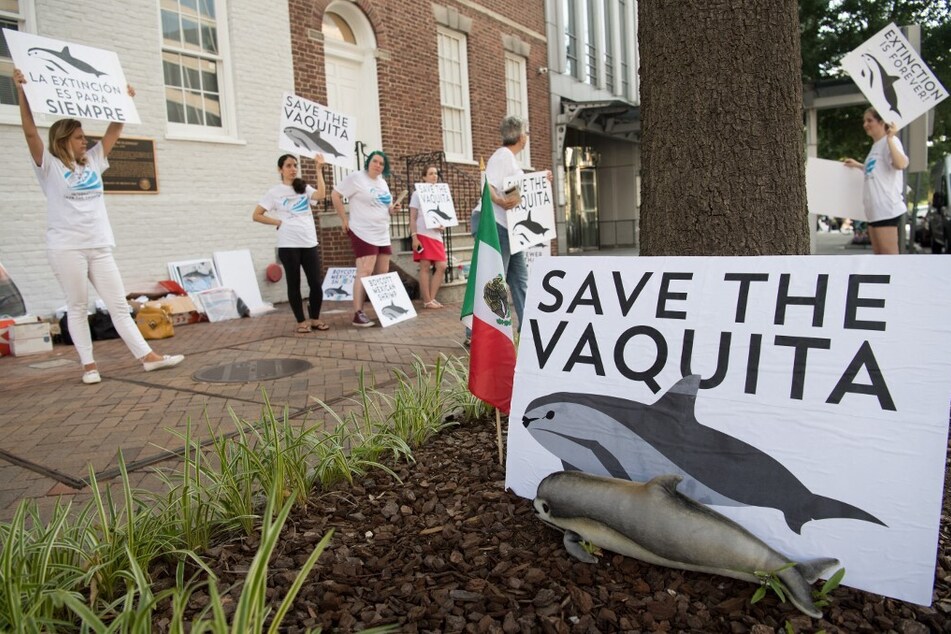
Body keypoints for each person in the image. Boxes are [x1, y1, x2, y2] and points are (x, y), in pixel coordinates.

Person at [14, 68, 184, 384]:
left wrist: (123, 101)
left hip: (99, 244)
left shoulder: (92, 160)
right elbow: (29, 133)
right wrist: (21, 91)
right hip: (67, 247)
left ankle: (148, 357)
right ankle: (89, 367)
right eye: (79, 137)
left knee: (118, 305)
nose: (86, 141)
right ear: (64, 139)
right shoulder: (48, 165)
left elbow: (114, 131)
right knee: (77, 307)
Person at [465, 115, 551, 345]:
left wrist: (542, 180)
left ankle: (527, 326)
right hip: (496, 225)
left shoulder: (510, 161)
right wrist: (501, 203)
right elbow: (488, 185)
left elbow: (516, 191)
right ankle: (477, 332)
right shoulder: (503, 156)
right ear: (521, 136)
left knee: (519, 279)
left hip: (509, 229)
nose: (527, 138)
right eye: (527, 134)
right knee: (494, 279)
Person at [252, 154, 329, 332]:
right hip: (288, 245)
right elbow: (256, 215)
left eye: (295, 165)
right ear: (280, 169)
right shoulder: (274, 192)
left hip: (309, 242)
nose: (293, 168)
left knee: (316, 283)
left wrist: (318, 169)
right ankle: (301, 322)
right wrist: (277, 222)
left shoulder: (303, 188)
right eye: (288, 166)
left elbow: (321, 195)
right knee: (293, 284)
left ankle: (315, 319)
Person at [332, 151, 402, 327]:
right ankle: (358, 313)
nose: (378, 165)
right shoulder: (357, 178)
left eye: (381, 163)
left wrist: (393, 209)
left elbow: (385, 208)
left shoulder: (383, 183)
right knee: (365, 270)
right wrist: (344, 219)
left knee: (382, 272)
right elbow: (335, 194)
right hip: (363, 231)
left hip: (382, 233)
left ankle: (384, 309)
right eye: (375, 161)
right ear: (368, 162)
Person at [843, 108, 909, 255]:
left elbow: (901, 164)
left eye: (869, 120)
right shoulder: (876, 146)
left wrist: (891, 138)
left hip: (886, 208)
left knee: (888, 255)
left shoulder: (890, 141)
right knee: (879, 256)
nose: (865, 124)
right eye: (864, 121)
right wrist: (858, 165)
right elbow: (875, 170)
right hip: (873, 210)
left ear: (881, 122)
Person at [409, 164, 449, 309]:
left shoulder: (440, 194)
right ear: (424, 177)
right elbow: (412, 218)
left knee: (442, 266)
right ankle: (427, 300)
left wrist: (443, 224)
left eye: (436, 173)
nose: (434, 176)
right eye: (431, 173)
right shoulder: (416, 194)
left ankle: (431, 298)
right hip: (422, 233)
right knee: (425, 266)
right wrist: (414, 237)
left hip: (436, 235)